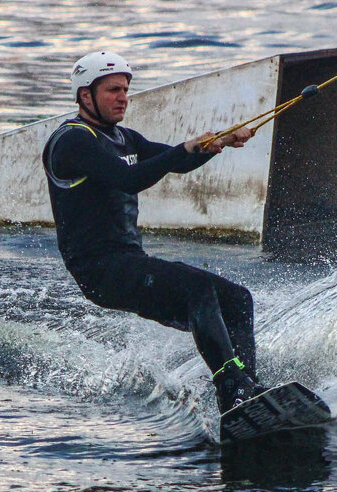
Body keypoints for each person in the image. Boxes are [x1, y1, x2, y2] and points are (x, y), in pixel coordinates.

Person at [42, 51, 265, 414]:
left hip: (131, 263)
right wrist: (185, 146)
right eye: (113, 90)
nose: (123, 98)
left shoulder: (125, 138)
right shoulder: (72, 141)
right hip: (100, 270)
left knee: (238, 300)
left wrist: (219, 143)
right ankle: (231, 387)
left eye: (126, 90)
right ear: (86, 96)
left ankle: (247, 390)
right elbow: (129, 178)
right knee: (198, 290)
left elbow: (176, 163)